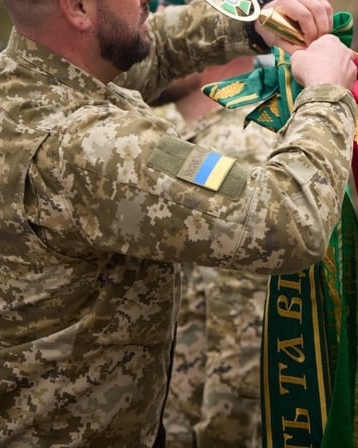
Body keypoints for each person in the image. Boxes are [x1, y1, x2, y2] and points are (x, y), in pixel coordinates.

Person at [0, 0, 358, 447]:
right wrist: (325, 95)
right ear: (76, 5)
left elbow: (147, 52)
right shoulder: (87, 148)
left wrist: (253, 21)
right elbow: (288, 222)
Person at [149, 55, 278, 448]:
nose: (158, 41)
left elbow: (240, 317)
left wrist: (224, 432)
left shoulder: (238, 141)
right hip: (182, 403)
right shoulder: (191, 134)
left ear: (216, 53)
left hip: (211, 418)